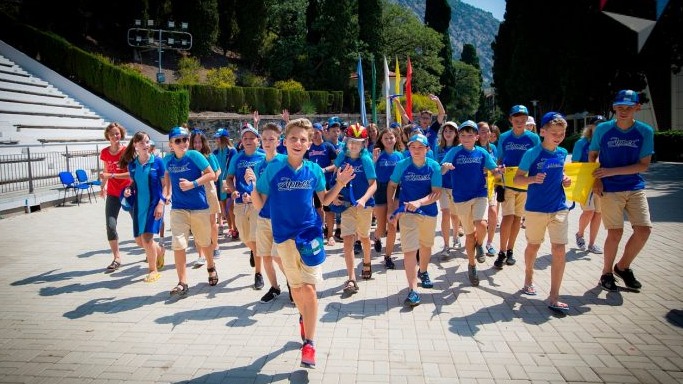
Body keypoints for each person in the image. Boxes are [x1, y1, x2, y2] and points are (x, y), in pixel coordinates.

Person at [251, 118, 355, 369]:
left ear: (309, 144)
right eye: (294, 138)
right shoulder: (273, 168)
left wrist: (340, 183)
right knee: (296, 290)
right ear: (285, 142)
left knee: (308, 289)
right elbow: (259, 204)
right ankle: (303, 317)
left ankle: (309, 343)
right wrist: (252, 187)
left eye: (303, 139)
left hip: (310, 234)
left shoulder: (315, 170)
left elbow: (326, 201)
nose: (298, 142)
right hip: (284, 238)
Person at [589, 90, 654, 291]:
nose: (623, 111)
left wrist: (610, 171)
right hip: (610, 189)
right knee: (615, 233)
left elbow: (644, 165)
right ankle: (606, 273)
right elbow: (592, 156)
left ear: (637, 108)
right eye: (620, 108)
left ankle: (623, 267)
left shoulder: (645, 131)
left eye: (628, 107)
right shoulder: (603, 130)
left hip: (634, 186)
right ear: (614, 108)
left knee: (644, 230)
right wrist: (596, 181)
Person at [513, 112, 572, 314]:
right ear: (543, 132)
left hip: (559, 207)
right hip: (536, 209)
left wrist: (565, 179)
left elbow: (560, 172)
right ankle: (528, 278)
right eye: (554, 132)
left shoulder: (562, 152)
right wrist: (532, 179)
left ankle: (554, 296)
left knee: (559, 249)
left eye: (562, 133)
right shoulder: (532, 153)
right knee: (533, 246)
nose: (558, 136)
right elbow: (517, 179)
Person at [441, 121, 501, 286]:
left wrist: (498, 172)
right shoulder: (454, 151)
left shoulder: (482, 153)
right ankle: (472, 265)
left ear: (476, 136)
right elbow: (442, 169)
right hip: (460, 197)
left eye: (470, 135)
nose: (466, 138)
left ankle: (480, 244)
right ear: (459, 137)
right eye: (463, 135)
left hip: (480, 193)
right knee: (468, 235)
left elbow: (494, 170)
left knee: (481, 224)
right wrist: (445, 167)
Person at [387, 134, 442, 306]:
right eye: (413, 147)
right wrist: (391, 208)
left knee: (426, 245)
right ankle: (413, 290)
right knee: (409, 250)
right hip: (407, 213)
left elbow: (436, 192)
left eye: (420, 147)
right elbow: (392, 186)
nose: (416, 150)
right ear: (408, 148)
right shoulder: (402, 165)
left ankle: (423, 271)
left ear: (427, 149)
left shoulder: (434, 167)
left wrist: (419, 202)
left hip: (428, 212)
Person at [163, 127, 217, 296]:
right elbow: (167, 175)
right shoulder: (168, 160)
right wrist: (167, 193)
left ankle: (210, 266)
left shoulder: (195, 156)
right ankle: (182, 282)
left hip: (199, 208)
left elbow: (212, 175)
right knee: (178, 244)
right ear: (171, 144)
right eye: (177, 140)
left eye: (185, 139)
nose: (183, 143)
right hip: (178, 208)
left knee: (204, 242)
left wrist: (193, 184)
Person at [243, 123, 291, 303]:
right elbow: (260, 196)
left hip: (282, 218)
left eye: (271, 139)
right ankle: (275, 287)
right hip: (263, 217)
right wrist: (252, 190)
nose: (267, 142)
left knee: (279, 257)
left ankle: (292, 284)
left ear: (278, 141)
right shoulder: (259, 165)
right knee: (265, 255)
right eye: (264, 139)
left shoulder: (285, 161)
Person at [333, 123, 377, 294]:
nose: (353, 146)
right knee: (348, 240)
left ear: (364, 143)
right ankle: (351, 278)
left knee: (364, 236)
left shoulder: (365, 159)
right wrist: (334, 193)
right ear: (346, 141)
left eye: (357, 142)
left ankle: (367, 261)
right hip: (346, 205)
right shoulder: (342, 157)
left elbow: (373, 185)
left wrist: (364, 199)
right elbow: (335, 175)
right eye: (351, 141)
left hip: (364, 206)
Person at [495, 105, 541, 269]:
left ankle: (510, 250)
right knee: (507, 217)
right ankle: (501, 251)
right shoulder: (505, 137)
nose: (520, 122)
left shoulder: (533, 138)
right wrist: (499, 173)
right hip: (508, 183)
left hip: (525, 184)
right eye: (516, 119)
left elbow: (536, 160)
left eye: (523, 119)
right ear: (511, 120)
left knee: (516, 219)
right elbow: (500, 159)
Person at [118, 131, 166, 282]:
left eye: (147, 142)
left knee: (146, 239)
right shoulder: (132, 165)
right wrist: (127, 191)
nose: (145, 145)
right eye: (141, 143)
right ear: (135, 146)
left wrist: (161, 203)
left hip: (154, 205)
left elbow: (165, 186)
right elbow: (133, 184)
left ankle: (153, 270)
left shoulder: (158, 162)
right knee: (140, 241)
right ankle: (160, 251)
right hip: (139, 206)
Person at [226, 124, 267, 289]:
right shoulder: (236, 157)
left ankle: (258, 273)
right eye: (245, 138)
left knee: (256, 240)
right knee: (244, 237)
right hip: (240, 204)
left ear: (258, 140)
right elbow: (229, 178)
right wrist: (234, 191)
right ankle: (253, 251)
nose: (249, 141)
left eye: (252, 138)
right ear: (241, 141)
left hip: (257, 203)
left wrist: (258, 194)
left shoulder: (264, 156)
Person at [99, 122, 132, 271]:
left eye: (117, 133)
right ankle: (117, 257)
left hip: (127, 191)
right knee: (110, 225)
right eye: (112, 134)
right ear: (108, 136)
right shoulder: (105, 152)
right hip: (112, 193)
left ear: (121, 134)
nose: (115, 136)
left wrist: (112, 175)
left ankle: (150, 250)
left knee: (138, 222)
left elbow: (131, 173)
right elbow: (105, 170)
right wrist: (102, 187)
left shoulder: (126, 151)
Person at [371, 127, 404, 269]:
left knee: (392, 224)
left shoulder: (400, 156)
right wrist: (374, 160)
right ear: (381, 140)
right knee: (381, 227)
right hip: (380, 188)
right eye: (386, 138)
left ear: (396, 139)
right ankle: (376, 237)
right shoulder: (378, 154)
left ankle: (388, 256)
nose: (389, 140)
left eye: (391, 137)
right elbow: (370, 171)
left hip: (396, 189)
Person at [573, 115, 605, 254]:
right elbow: (574, 164)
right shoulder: (581, 143)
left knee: (598, 213)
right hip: (585, 182)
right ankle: (580, 234)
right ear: (590, 127)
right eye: (596, 124)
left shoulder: (607, 141)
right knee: (589, 211)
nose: (599, 127)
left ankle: (592, 244)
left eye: (602, 124)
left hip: (603, 182)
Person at [191, 129, 222, 267]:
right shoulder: (188, 156)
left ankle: (215, 246)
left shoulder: (209, 156)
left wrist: (209, 175)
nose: (197, 144)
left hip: (208, 190)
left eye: (199, 141)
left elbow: (217, 172)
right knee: (197, 225)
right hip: (194, 192)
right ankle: (201, 254)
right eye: (195, 141)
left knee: (211, 223)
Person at [306, 123, 338, 245]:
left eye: (317, 132)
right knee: (318, 208)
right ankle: (320, 231)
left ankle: (330, 235)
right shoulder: (308, 148)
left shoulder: (328, 147)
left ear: (322, 132)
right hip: (313, 183)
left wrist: (324, 170)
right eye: (312, 133)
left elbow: (336, 164)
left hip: (327, 182)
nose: (314, 135)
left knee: (329, 209)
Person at [435, 121, 462, 257]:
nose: (448, 133)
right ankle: (446, 245)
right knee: (445, 214)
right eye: (446, 131)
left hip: (457, 186)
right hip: (443, 187)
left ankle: (456, 237)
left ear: (456, 133)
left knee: (455, 215)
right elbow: (436, 168)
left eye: (451, 131)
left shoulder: (460, 148)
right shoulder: (438, 149)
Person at [476, 121, 499, 256]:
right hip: (476, 186)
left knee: (493, 212)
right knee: (479, 220)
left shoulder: (493, 148)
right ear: (477, 134)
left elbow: (495, 165)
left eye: (487, 131)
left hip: (491, 185)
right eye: (482, 131)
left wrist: (497, 170)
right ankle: (478, 241)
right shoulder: (474, 149)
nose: (486, 134)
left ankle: (489, 243)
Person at [213, 128, 238, 240]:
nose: (217, 140)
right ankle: (231, 228)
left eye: (219, 137)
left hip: (229, 182)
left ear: (224, 138)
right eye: (216, 138)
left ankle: (235, 229)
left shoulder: (232, 151)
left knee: (231, 208)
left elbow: (234, 167)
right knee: (224, 208)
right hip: (218, 183)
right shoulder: (215, 152)